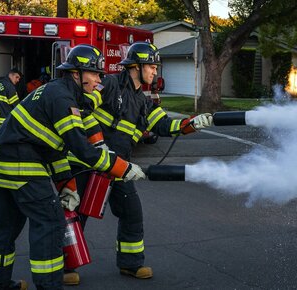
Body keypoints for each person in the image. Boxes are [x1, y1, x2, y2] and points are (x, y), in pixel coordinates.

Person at [0, 44, 146, 290]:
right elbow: (82, 149)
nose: (99, 80)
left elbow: (56, 149)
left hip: (0, 161)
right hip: (20, 163)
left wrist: (66, 186)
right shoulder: (63, 98)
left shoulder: (57, 92)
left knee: (7, 225)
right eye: (94, 74)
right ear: (76, 74)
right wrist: (122, 168)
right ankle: (49, 284)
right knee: (50, 222)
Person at [62, 42, 213, 285]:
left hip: (118, 167)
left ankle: (131, 264)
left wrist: (192, 125)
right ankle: (66, 266)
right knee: (77, 214)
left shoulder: (142, 101)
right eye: (152, 66)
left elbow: (164, 125)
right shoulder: (109, 84)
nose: (155, 72)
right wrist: (97, 144)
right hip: (87, 162)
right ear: (136, 66)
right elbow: (83, 106)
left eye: (155, 67)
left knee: (132, 213)